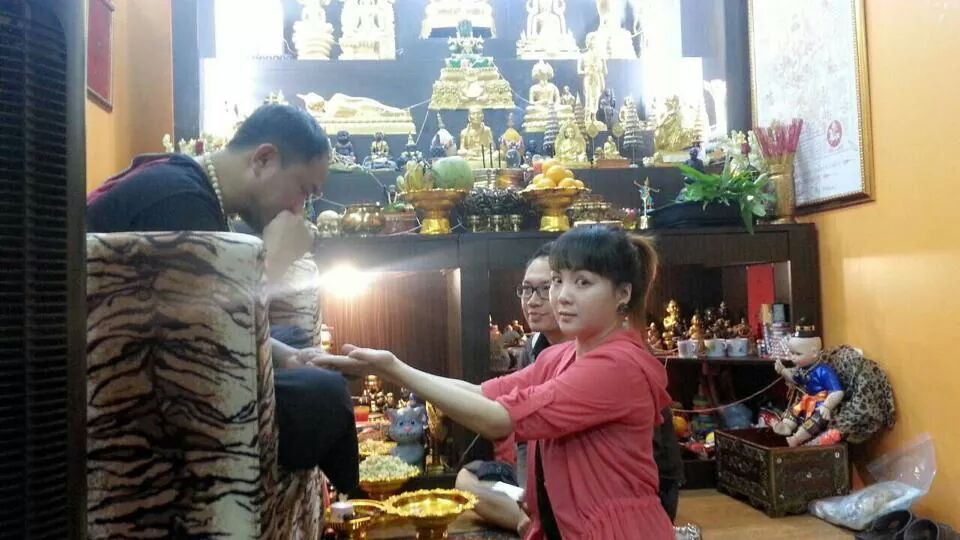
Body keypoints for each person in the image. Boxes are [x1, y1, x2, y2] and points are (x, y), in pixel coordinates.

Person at [314, 226, 674, 539]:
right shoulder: (560, 356)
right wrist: (393, 366)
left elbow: (498, 419)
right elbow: (485, 394)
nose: (562, 295)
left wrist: (395, 370)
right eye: (559, 280)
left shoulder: (618, 365)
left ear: (623, 294)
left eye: (583, 282)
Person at [86, 104, 359, 491]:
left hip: (160, 361)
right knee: (327, 394)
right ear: (264, 159)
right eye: (303, 190)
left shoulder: (185, 184)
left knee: (294, 345)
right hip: (128, 391)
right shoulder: (177, 199)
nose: (300, 208)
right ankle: (355, 499)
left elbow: (206, 310)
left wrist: (287, 357)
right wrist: (274, 261)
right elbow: (208, 340)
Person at [455, 242, 566, 531]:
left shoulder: (592, 352)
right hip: (537, 476)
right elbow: (521, 435)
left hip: (579, 484)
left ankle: (531, 521)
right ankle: (526, 522)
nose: (533, 300)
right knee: (467, 480)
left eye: (545, 288)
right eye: (527, 289)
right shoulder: (534, 346)